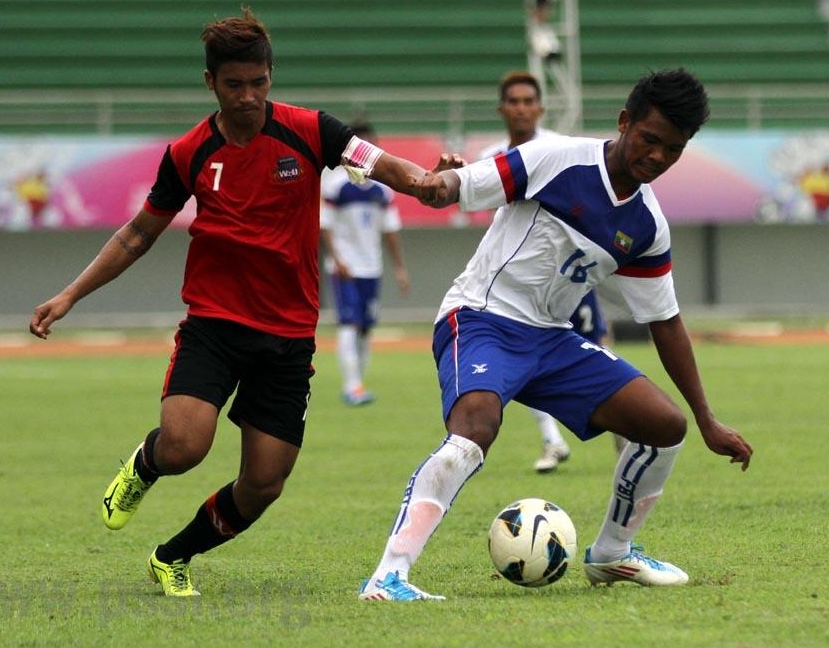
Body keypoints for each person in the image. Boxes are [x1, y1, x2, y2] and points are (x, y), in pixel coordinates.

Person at [29, 7, 441, 597]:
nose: (248, 96)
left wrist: (428, 181)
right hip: (214, 325)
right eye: (233, 85)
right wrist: (69, 294)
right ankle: (144, 466)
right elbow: (137, 234)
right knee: (184, 447)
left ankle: (172, 556)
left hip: (289, 336)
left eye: (259, 82)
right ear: (210, 83)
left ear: (272, 76)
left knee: (264, 483)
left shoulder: (310, 131)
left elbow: (380, 164)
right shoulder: (188, 153)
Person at [358, 69, 754, 602]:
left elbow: (666, 322)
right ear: (624, 123)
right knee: (475, 427)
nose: (658, 157)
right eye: (650, 139)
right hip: (481, 317)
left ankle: (613, 554)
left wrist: (707, 420)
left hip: (551, 341)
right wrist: (433, 179)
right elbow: (454, 187)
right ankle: (390, 574)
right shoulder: (554, 158)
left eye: (674, 150)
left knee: (664, 426)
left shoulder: (646, 226)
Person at [479, 70, 614, 473]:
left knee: (605, 362)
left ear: (540, 106)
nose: (521, 108)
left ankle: (628, 450)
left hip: (569, 281)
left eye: (528, 101)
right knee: (521, 366)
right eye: (513, 101)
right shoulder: (491, 158)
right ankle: (552, 441)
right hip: (520, 289)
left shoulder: (562, 149)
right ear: (502, 108)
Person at [320, 120, 409, 406]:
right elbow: (324, 226)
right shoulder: (335, 185)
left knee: (366, 328)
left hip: (372, 267)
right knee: (349, 324)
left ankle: (358, 381)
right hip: (345, 267)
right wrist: (336, 258)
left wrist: (399, 267)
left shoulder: (383, 190)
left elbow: (390, 230)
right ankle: (352, 386)